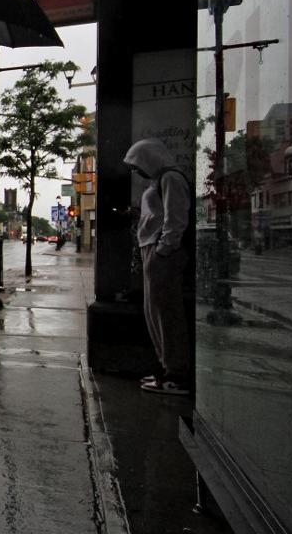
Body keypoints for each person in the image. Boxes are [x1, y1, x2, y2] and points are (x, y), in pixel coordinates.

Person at [123, 138, 193, 396]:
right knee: (155, 311)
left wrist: (164, 249)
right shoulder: (158, 181)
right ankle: (167, 368)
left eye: (136, 164)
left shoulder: (171, 179)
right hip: (152, 248)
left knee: (166, 313)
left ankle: (176, 373)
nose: (136, 170)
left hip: (161, 251)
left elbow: (176, 218)